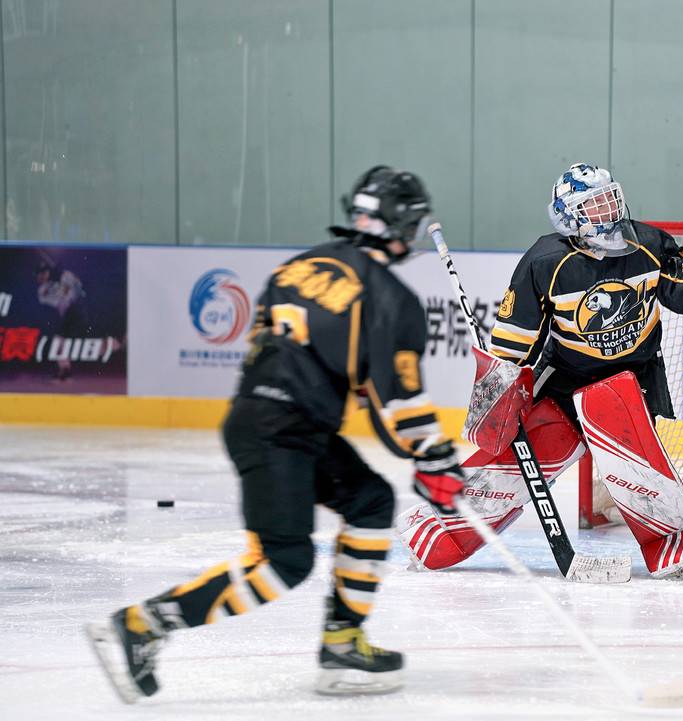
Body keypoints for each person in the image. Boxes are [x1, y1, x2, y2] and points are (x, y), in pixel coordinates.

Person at [85, 166, 467, 703]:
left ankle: (343, 643)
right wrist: (435, 458)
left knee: (371, 499)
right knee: (283, 561)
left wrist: (422, 458)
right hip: (283, 430)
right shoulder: (389, 295)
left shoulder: (300, 265)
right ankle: (141, 625)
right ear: (403, 222)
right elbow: (395, 402)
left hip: (272, 421)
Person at [398, 163, 683, 578]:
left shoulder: (650, 244)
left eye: (610, 198)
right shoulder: (545, 262)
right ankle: (438, 533)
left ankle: (673, 544)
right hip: (566, 382)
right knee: (520, 461)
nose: (609, 210)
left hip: (632, 382)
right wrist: (500, 390)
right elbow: (516, 343)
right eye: (595, 204)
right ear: (568, 216)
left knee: (635, 463)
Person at [35, 261, 88, 381]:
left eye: (44, 273)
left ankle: (65, 369)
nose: (41, 276)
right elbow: (60, 299)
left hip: (77, 310)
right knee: (59, 342)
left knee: (59, 342)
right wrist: (63, 284)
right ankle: (65, 369)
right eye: (39, 274)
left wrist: (66, 278)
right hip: (67, 314)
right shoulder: (42, 290)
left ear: (49, 272)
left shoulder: (65, 276)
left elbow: (78, 287)